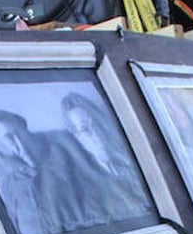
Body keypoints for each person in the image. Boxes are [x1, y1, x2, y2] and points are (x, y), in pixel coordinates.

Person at [0, 109, 85, 234]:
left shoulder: (67, 164)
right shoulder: (9, 185)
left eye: (19, 133)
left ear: (28, 132)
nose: (18, 141)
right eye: (8, 137)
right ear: (2, 143)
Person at [59, 91, 154, 226]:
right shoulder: (86, 187)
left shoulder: (138, 160)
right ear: (78, 138)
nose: (96, 134)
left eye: (97, 125)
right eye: (85, 128)